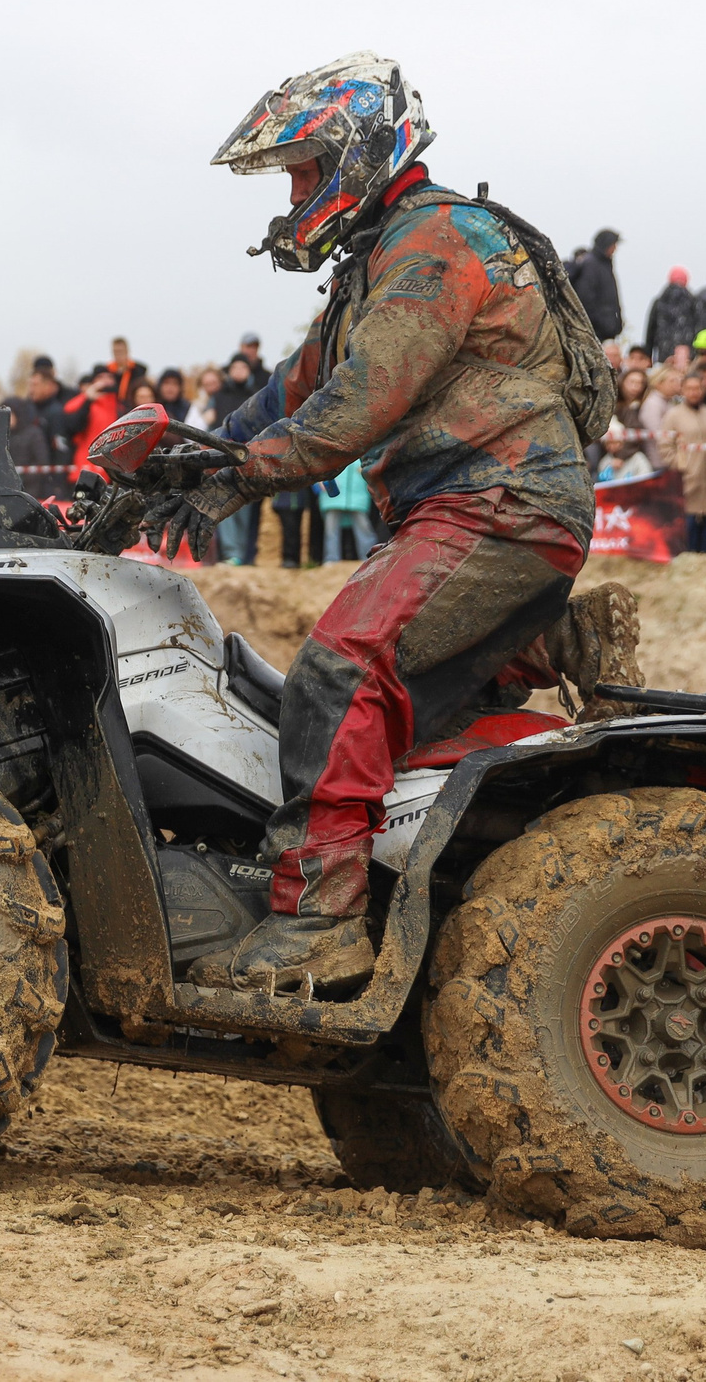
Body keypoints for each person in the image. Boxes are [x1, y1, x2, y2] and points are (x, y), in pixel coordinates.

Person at [145, 52, 596, 992]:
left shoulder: (434, 243)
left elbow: (358, 402)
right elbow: (291, 389)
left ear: (355, 155)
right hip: (466, 507)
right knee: (407, 722)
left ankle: (317, 919)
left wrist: (241, 474)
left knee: (340, 671)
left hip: (498, 501)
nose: (298, 192)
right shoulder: (377, 260)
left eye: (307, 169)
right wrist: (186, 458)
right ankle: (551, 640)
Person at [661, 368, 706, 552]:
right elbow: (665, 447)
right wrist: (681, 464)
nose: (694, 392)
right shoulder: (673, 415)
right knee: (688, 532)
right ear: (682, 390)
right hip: (687, 482)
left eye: (697, 388)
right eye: (689, 388)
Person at [566, 228, 623, 346]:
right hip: (595, 331)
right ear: (606, 244)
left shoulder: (604, 264)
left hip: (605, 330)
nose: (615, 249)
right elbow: (585, 298)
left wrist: (617, 323)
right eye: (613, 244)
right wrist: (599, 323)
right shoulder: (591, 264)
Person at [315, 459, 377, 562]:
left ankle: (369, 558)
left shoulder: (362, 454)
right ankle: (331, 559)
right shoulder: (331, 453)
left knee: (363, 527)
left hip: (356, 497)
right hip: (333, 497)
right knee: (331, 530)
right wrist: (320, 481)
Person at [644, 267, 699, 364]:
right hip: (687, 355)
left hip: (664, 353)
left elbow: (651, 330)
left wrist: (648, 355)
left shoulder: (660, 301)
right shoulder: (693, 301)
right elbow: (698, 327)